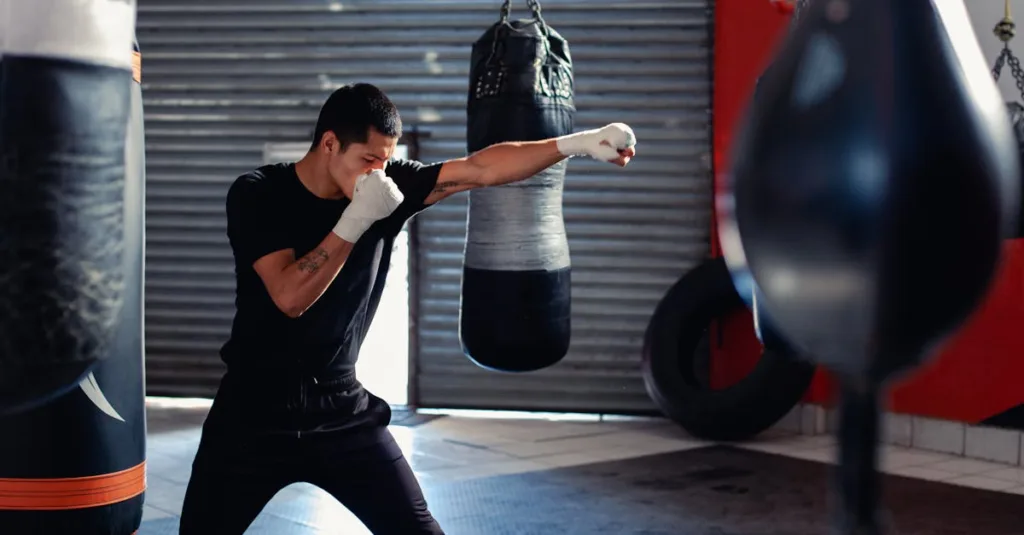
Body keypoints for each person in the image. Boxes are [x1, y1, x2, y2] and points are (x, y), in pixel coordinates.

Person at [178, 82, 637, 534]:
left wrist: (576, 144)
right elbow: (290, 296)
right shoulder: (259, 193)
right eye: (368, 160)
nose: (379, 173)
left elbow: (480, 169)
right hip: (251, 415)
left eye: (386, 159)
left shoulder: (385, 186)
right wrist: (357, 218)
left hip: (342, 411)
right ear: (330, 143)